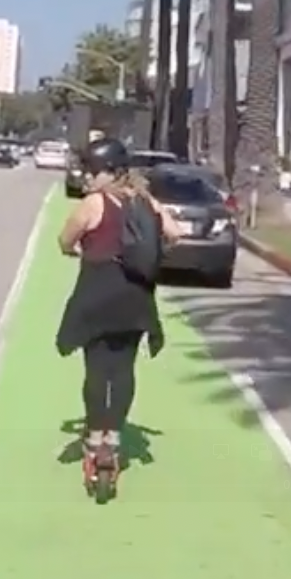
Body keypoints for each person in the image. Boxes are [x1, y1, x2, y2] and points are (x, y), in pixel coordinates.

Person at [55, 137, 180, 470]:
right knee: (124, 370)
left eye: (93, 172)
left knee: (96, 370)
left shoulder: (94, 203)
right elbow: (174, 232)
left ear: (110, 172)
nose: (89, 178)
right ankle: (115, 439)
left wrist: (78, 250)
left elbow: (65, 240)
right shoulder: (145, 200)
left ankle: (95, 439)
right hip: (136, 298)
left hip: (98, 294)